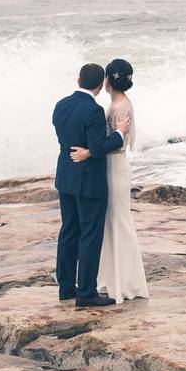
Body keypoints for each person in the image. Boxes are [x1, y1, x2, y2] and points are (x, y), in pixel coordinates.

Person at [70, 58, 149, 304]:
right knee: (111, 223)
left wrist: (87, 153)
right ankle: (112, 278)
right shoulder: (116, 103)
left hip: (114, 167)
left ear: (108, 81)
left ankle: (125, 282)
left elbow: (116, 144)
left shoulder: (119, 108)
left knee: (118, 221)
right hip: (111, 167)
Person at [52, 63, 130, 307]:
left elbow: (62, 135)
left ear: (78, 81)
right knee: (89, 235)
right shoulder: (93, 111)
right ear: (99, 85)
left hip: (65, 177)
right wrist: (118, 134)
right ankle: (86, 293)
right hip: (89, 183)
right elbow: (96, 149)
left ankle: (66, 288)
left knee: (68, 232)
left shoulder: (61, 105)